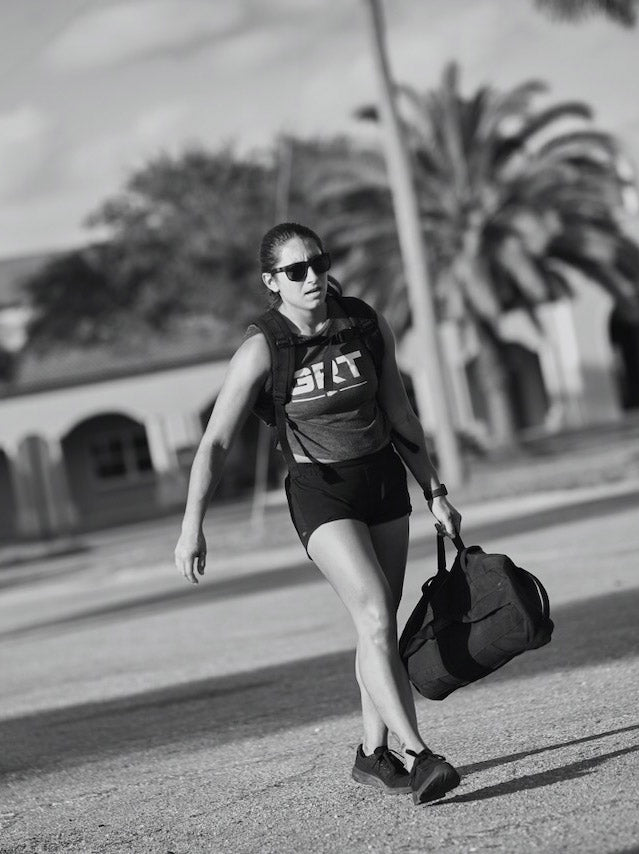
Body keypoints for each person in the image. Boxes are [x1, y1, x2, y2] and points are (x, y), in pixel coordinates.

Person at [174, 222, 463, 805]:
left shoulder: (363, 323)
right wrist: (191, 525)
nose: (312, 276)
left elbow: (401, 415)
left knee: (377, 623)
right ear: (271, 281)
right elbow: (216, 442)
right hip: (321, 491)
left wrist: (435, 491)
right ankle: (418, 755)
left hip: (382, 479)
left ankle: (372, 754)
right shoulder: (264, 348)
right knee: (375, 613)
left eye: (319, 262)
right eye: (295, 270)